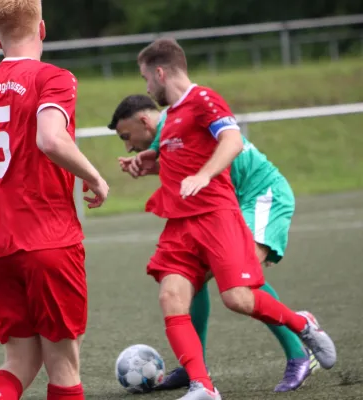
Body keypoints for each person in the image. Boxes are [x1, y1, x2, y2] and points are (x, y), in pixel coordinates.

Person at [127, 38, 336, 400]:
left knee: (239, 293)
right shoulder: (173, 117)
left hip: (252, 197)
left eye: (147, 78)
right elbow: (182, 160)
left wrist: (206, 174)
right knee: (174, 294)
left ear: (160, 72)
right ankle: (201, 382)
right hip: (190, 220)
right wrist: (150, 164)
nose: (146, 87)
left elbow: (232, 141)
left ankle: (301, 334)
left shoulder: (203, 99)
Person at [0, 1, 108, 399]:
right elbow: (51, 139)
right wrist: (94, 177)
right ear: (42, 29)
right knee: (63, 364)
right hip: (47, 239)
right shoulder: (53, 78)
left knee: (18, 360)